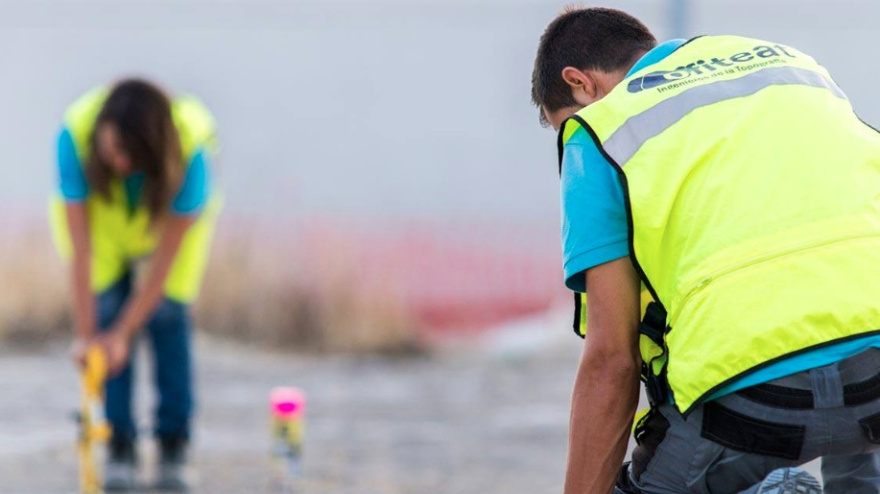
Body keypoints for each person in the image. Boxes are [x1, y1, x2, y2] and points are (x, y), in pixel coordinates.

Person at [531, 7, 880, 494]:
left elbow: (612, 360)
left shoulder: (599, 131)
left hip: (748, 401)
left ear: (579, 83)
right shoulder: (793, 69)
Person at [50, 79, 220, 491]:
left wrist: (126, 333)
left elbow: (161, 269)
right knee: (106, 312)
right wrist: (89, 335)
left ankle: (173, 442)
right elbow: (81, 250)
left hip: (167, 223)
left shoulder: (192, 154)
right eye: (110, 152)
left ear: (153, 151)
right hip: (105, 225)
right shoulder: (74, 135)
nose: (119, 163)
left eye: (130, 155)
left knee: (167, 316)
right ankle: (119, 441)